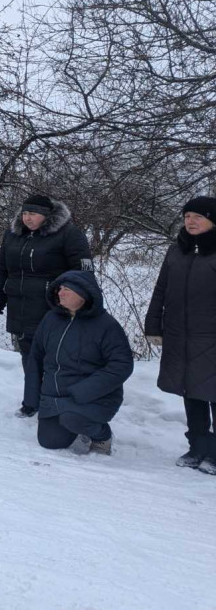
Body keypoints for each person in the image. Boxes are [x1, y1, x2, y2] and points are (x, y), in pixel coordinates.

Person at [0, 194, 92, 417]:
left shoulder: (69, 235)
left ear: (47, 216)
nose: (27, 218)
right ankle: (31, 402)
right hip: (20, 305)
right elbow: (1, 267)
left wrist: (75, 302)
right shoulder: (13, 235)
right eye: (25, 213)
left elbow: (83, 273)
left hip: (53, 308)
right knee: (28, 356)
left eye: (33, 214)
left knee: (55, 357)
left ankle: (56, 401)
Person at [25, 271, 134, 454]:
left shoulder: (106, 326)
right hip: (54, 397)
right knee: (49, 442)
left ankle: (101, 435)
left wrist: (83, 391)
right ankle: (74, 425)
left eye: (67, 289)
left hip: (94, 397)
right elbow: (35, 357)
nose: (60, 293)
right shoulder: (50, 319)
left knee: (72, 419)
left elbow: (122, 366)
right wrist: (32, 398)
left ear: (84, 294)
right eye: (60, 289)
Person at [145, 196, 216, 474]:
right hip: (179, 335)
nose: (191, 222)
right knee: (191, 391)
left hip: (210, 336)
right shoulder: (177, 251)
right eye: (187, 217)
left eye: (198, 217)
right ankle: (197, 446)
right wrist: (153, 325)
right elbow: (161, 289)